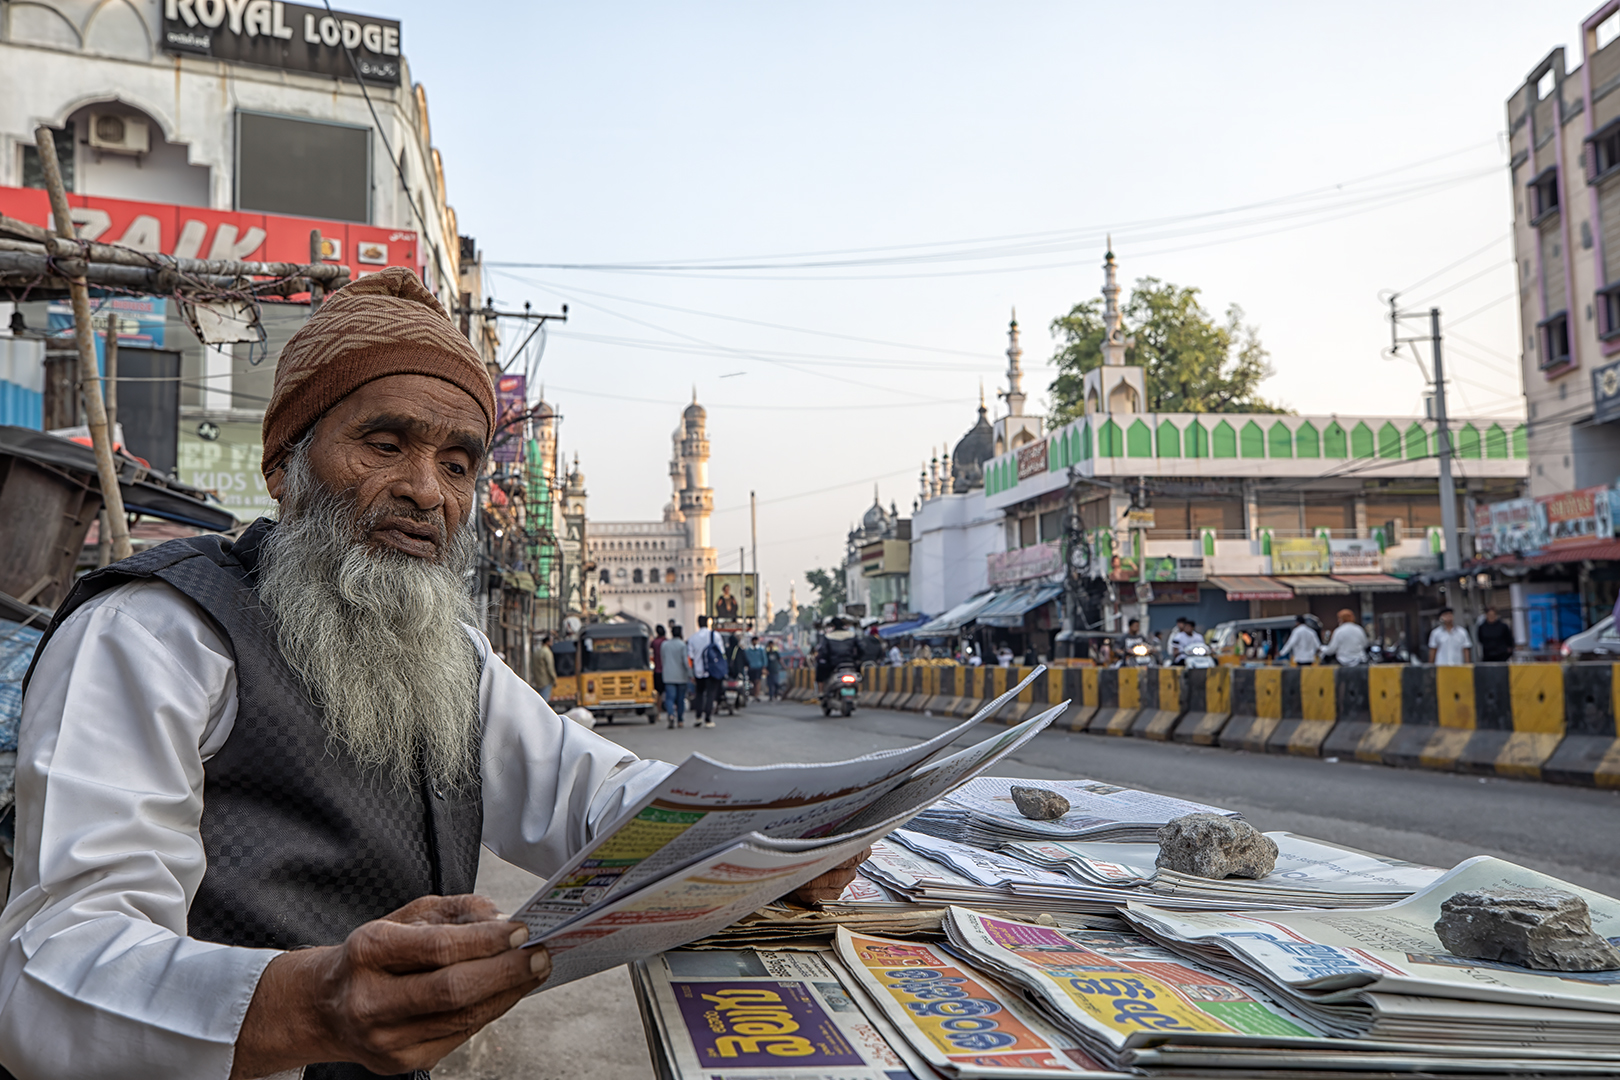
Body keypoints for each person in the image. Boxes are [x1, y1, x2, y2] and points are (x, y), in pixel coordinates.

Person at [0, 268, 866, 1078]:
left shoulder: (449, 656)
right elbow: (53, 968)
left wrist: (763, 842)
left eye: (458, 464)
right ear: (283, 468)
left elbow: (591, 798)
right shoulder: (152, 636)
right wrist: (310, 1003)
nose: (427, 491)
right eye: (383, 443)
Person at [687, 614, 725, 728]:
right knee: (710, 694)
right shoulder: (715, 635)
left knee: (699, 694)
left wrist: (692, 671)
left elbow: (690, 656)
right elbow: (721, 652)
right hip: (712, 670)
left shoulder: (693, 638)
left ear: (698, 624)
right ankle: (708, 718)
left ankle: (698, 717)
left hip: (698, 671)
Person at [814, 617, 860, 691]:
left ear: (833, 626)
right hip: (850, 663)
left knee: (820, 669)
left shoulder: (828, 636)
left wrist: (821, 658)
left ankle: (821, 692)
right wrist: (857, 658)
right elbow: (860, 648)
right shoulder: (852, 635)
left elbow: (824, 652)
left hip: (833, 664)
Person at [661, 624, 690, 727]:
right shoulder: (682, 645)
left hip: (668, 676)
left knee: (669, 698)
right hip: (681, 676)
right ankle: (680, 720)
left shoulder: (665, 645)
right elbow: (685, 662)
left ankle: (671, 715)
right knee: (680, 699)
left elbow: (663, 659)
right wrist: (690, 673)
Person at [533, 631, 558, 700]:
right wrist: (554, 679)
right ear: (547, 642)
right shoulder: (547, 652)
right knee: (544, 700)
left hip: (538, 680)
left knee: (540, 699)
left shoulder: (537, 652)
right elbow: (550, 667)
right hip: (546, 680)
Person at [650, 623, 667, 716]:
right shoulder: (666, 642)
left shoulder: (655, 642)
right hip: (666, 670)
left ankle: (658, 710)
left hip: (657, 670)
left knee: (658, 693)